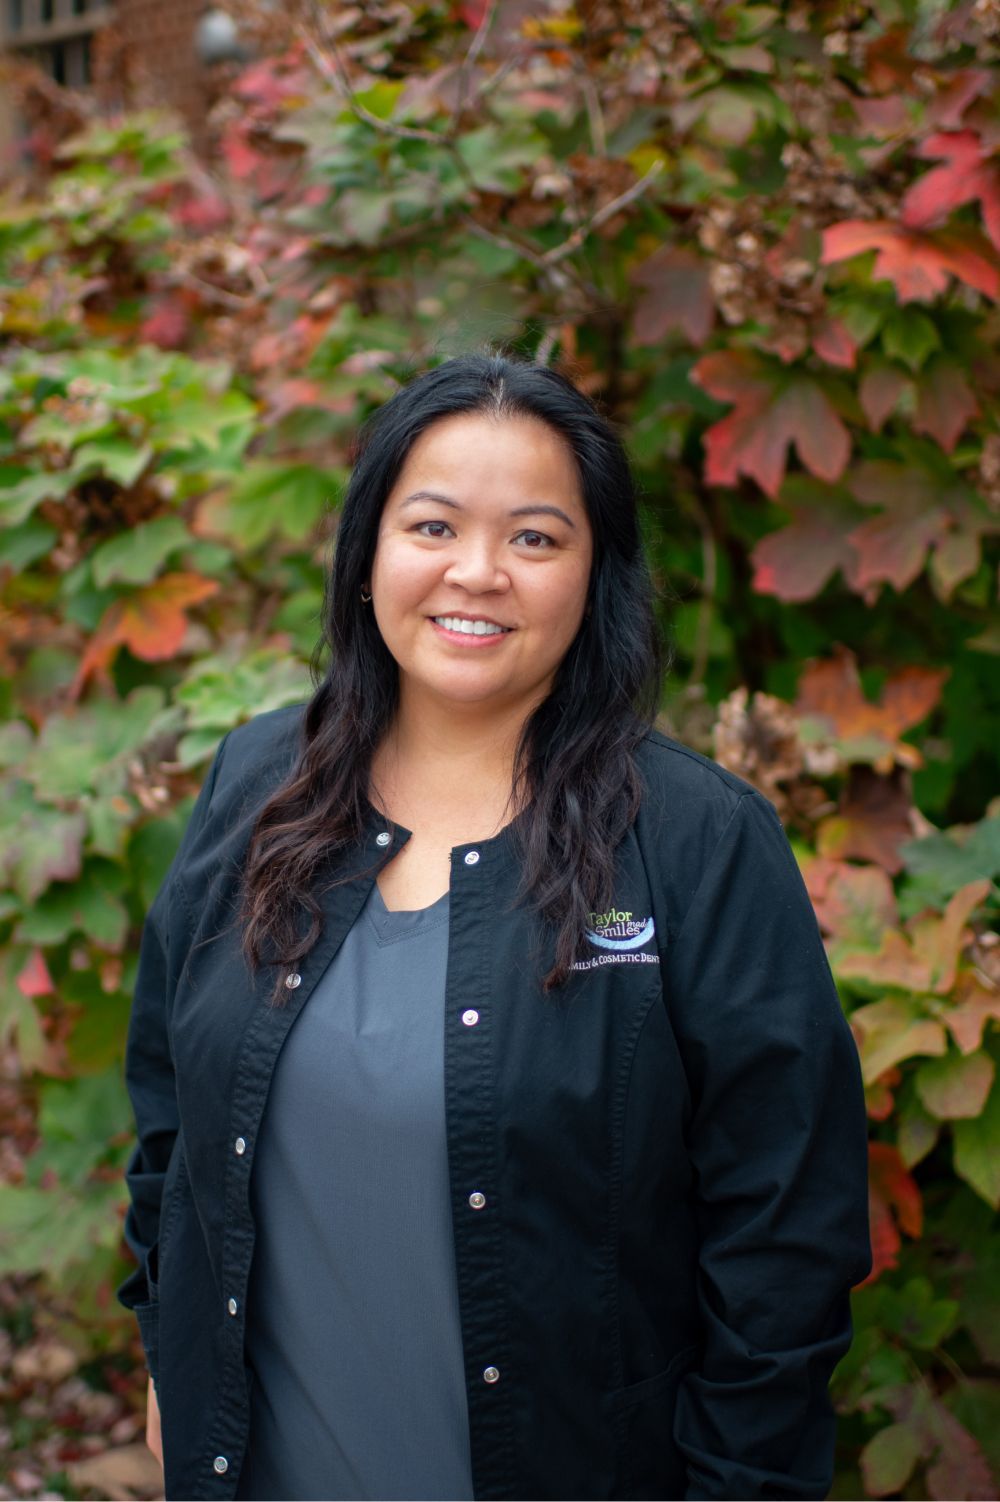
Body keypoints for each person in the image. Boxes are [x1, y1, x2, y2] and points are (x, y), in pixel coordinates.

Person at [118, 352, 871, 1501]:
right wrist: (166, 1361)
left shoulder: (695, 839)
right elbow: (172, 1110)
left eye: (534, 536)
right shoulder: (256, 782)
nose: (476, 572)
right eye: (432, 525)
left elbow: (784, 1238)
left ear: (593, 574)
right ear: (369, 550)